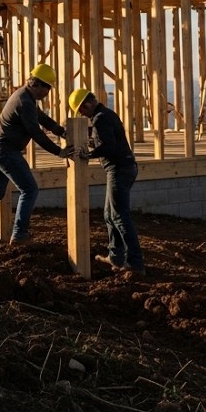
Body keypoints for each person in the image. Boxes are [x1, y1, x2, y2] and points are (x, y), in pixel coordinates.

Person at [0, 63, 74, 246]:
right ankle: (19, 235)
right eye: (47, 88)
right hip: (6, 151)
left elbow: (41, 117)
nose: (47, 93)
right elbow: (36, 132)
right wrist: (59, 152)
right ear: (37, 84)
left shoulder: (25, 96)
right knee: (30, 189)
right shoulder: (24, 102)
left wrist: (60, 131)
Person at [69, 88, 144, 274]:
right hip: (124, 168)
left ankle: (135, 263)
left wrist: (90, 154)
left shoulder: (100, 119)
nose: (82, 115)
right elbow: (109, 141)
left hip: (119, 169)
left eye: (81, 111)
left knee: (119, 216)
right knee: (109, 215)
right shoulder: (106, 115)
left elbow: (109, 147)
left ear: (86, 105)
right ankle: (116, 257)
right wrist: (93, 141)